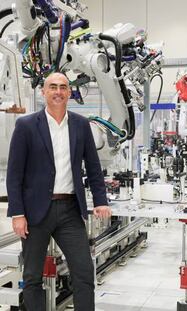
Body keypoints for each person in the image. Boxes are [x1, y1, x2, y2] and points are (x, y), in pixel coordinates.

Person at [6, 72, 112, 310]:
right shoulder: (25, 126)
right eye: (52, 87)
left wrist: (101, 200)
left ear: (69, 93)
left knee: (84, 272)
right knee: (32, 277)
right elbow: (14, 175)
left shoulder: (81, 125)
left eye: (63, 87)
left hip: (69, 211)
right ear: (43, 92)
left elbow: (93, 167)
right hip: (34, 214)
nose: (58, 91)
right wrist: (17, 214)